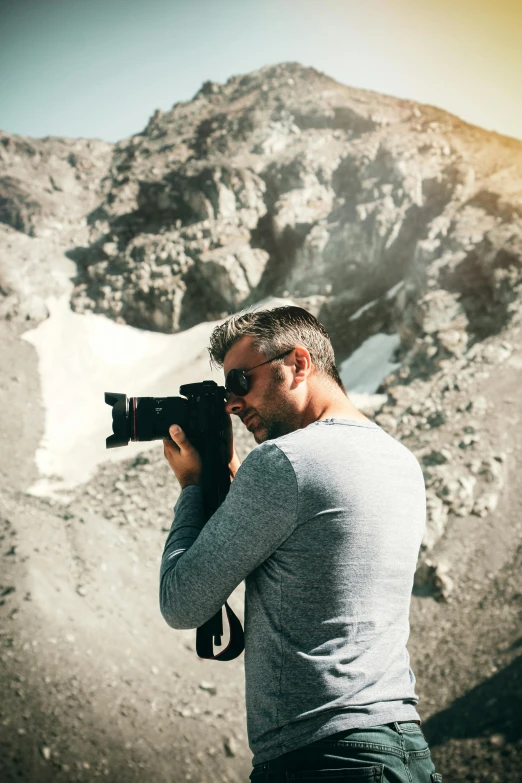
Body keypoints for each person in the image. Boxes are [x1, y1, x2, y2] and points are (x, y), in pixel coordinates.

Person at [159, 306, 441, 782]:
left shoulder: (284, 463)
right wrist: (230, 474)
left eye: (240, 382)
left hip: (321, 760)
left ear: (298, 363)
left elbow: (181, 602)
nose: (231, 402)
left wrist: (191, 485)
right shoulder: (399, 460)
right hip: (402, 750)